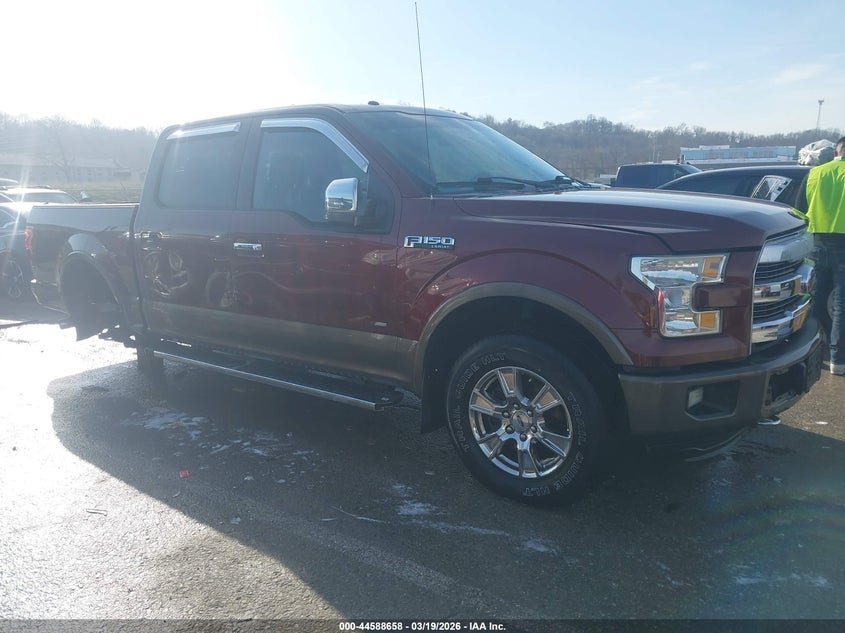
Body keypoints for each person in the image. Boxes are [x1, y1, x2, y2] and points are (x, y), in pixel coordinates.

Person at [804, 136, 845, 374]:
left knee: (817, 298)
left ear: (836, 151)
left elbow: (801, 207)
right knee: (841, 303)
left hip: (817, 242)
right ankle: (838, 360)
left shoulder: (816, 173)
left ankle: (814, 353)